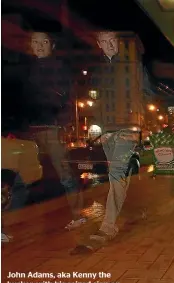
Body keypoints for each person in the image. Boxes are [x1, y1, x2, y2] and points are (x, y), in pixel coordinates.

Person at [23, 31, 85, 231]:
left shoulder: (59, 67)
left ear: (52, 45)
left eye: (44, 41)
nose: (39, 45)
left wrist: (61, 123)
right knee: (15, 175)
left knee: (64, 174)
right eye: (35, 41)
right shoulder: (27, 68)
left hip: (51, 128)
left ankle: (78, 216)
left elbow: (68, 98)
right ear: (30, 45)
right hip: (27, 130)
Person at [86, 30, 141, 245]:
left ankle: (108, 226)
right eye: (104, 41)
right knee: (117, 176)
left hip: (127, 129)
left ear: (118, 42)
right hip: (107, 132)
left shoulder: (133, 66)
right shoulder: (97, 71)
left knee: (116, 174)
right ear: (98, 44)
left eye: (113, 40)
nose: (109, 45)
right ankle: (130, 212)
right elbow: (95, 101)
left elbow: (143, 95)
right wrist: (99, 132)